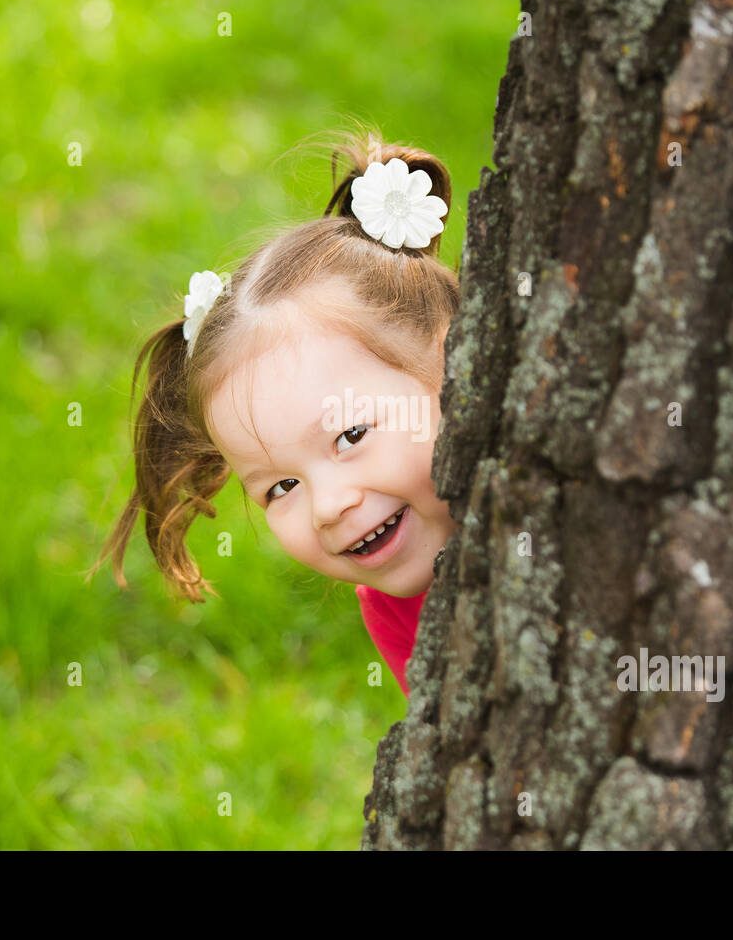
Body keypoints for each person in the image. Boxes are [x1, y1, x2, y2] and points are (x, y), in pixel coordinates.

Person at [89, 126, 463, 697]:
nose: (330, 506)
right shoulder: (393, 609)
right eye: (282, 486)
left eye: (350, 434)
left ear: (457, 361)